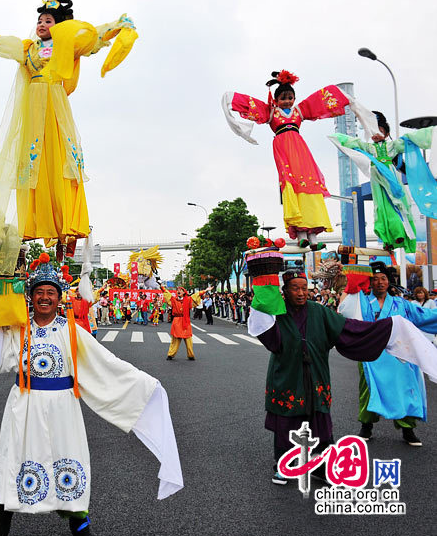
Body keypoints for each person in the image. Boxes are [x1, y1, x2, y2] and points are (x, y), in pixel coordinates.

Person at [0, 253, 182, 536]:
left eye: (51, 293)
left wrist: (146, 386)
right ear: (31, 297)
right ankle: (0, 526)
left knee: (67, 462)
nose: (45, 298)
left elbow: (105, 363)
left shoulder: (71, 330)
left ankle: (80, 525)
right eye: (39, 293)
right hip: (24, 406)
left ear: (59, 298)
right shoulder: (19, 328)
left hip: (63, 408)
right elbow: (0, 358)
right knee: (13, 462)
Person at [0, 0, 138, 272]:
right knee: (33, 166)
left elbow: (94, 36)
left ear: (61, 26)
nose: (41, 24)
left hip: (56, 110)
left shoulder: (68, 44)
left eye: (48, 21)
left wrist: (117, 25)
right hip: (32, 116)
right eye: (40, 20)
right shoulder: (28, 48)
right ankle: (34, 222)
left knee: (60, 165)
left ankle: (65, 225)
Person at [247, 268, 437, 484]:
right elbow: (265, 331)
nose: (301, 293)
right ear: (285, 291)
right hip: (287, 375)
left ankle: (320, 466)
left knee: (319, 422)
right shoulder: (277, 313)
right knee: (286, 422)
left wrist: (387, 328)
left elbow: (348, 328)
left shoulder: (319, 311)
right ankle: (284, 464)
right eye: (294, 289)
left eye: (304, 288)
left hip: (316, 374)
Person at [223, 70, 376, 249]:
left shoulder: (300, 111)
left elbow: (321, 100)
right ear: (276, 99)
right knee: (291, 187)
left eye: (290, 97)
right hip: (284, 152)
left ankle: (313, 237)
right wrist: (230, 98)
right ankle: (301, 233)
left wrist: (344, 97)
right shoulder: (271, 112)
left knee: (310, 188)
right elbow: (250, 105)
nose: (287, 101)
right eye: (283, 97)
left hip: (301, 152)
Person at [338, 262, 437, 446]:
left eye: (383, 279)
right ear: (370, 283)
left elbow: (423, 316)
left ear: (389, 282)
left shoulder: (401, 303)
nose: (380, 283)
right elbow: (345, 311)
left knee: (405, 389)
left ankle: (408, 429)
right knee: (369, 390)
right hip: (372, 354)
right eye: (375, 280)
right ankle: (366, 426)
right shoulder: (362, 301)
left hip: (399, 356)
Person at [329, 111, 417, 252]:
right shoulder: (369, 148)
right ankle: (388, 240)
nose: (376, 134)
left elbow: (407, 141)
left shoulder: (392, 146)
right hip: (376, 179)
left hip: (390, 177)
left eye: (379, 131)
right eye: (373, 131)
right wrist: (336, 137)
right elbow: (353, 143)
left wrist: (422, 136)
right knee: (381, 208)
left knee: (396, 204)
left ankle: (401, 233)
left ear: (386, 134)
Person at [162, 287, 203, 360]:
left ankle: (191, 355)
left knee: (188, 339)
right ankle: (170, 354)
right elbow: (166, 293)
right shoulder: (174, 300)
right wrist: (161, 285)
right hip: (177, 321)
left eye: (180, 290)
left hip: (185, 320)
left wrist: (205, 291)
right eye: (177, 290)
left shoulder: (188, 300)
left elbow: (196, 295)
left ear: (184, 292)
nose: (178, 291)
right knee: (175, 339)